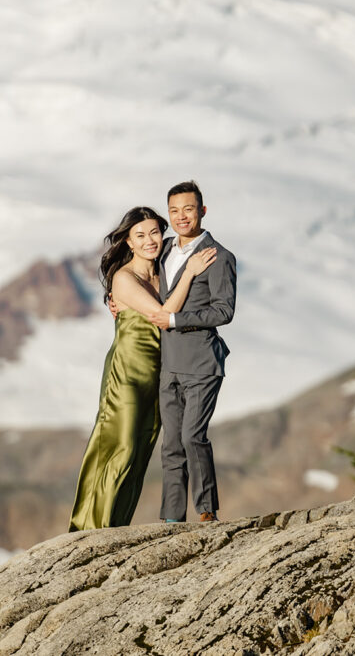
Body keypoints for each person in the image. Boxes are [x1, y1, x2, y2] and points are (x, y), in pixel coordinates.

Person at [68, 205, 216, 531]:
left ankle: (114, 527)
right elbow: (163, 316)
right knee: (119, 447)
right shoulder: (124, 278)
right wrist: (189, 273)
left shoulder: (164, 273)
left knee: (139, 456)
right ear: (129, 243)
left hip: (161, 374)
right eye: (140, 235)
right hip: (128, 374)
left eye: (153, 233)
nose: (149, 240)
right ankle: (90, 529)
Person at [156, 180, 237, 524]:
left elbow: (224, 311)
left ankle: (206, 511)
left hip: (203, 363)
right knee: (171, 445)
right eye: (174, 210)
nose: (181, 216)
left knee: (193, 437)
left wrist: (176, 319)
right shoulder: (161, 251)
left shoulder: (220, 257)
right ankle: (172, 519)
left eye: (188, 209)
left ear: (202, 211)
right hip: (169, 365)